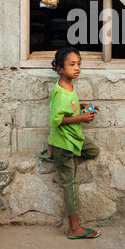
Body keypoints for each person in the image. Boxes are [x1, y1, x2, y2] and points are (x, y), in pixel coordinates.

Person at [43, 45, 100, 239]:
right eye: (72, 64)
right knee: (71, 186)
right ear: (59, 68)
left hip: (73, 140)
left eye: (79, 64)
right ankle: (74, 228)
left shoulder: (70, 86)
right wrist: (82, 119)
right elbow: (56, 120)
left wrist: (85, 107)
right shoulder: (60, 92)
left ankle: (57, 157)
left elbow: (70, 107)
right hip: (64, 142)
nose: (77, 68)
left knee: (93, 150)